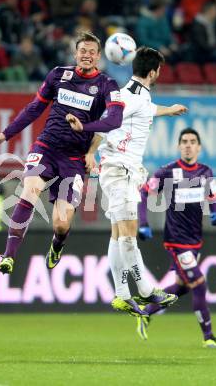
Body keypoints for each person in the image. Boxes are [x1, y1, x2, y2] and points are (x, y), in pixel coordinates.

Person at [0, 31, 130, 288]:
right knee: (30, 188)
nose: (87, 55)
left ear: (99, 56)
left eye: (92, 51)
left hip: (74, 159)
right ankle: (8, 255)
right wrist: (4, 135)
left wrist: (84, 128)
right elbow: (34, 108)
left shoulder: (107, 85)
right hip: (46, 147)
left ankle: (57, 245)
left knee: (61, 223)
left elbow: (115, 120)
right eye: (83, 51)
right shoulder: (59, 74)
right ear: (75, 53)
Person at [67, 46, 187, 318]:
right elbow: (107, 121)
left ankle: (121, 294)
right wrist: (89, 152)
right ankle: (145, 289)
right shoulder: (131, 97)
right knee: (129, 232)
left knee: (118, 233)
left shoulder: (136, 95)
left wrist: (168, 110)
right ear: (154, 72)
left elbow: (143, 110)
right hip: (121, 169)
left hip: (121, 170)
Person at [137, 128, 216, 348]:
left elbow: (213, 196)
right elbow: (143, 193)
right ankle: (209, 337)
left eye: (192, 141)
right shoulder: (167, 171)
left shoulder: (205, 172)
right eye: (184, 141)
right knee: (198, 283)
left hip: (195, 240)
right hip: (176, 240)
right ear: (179, 146)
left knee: (182, 285)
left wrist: (215, 211)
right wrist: (143, 223)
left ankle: (146, 312)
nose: (188, 145)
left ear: (199, 147)